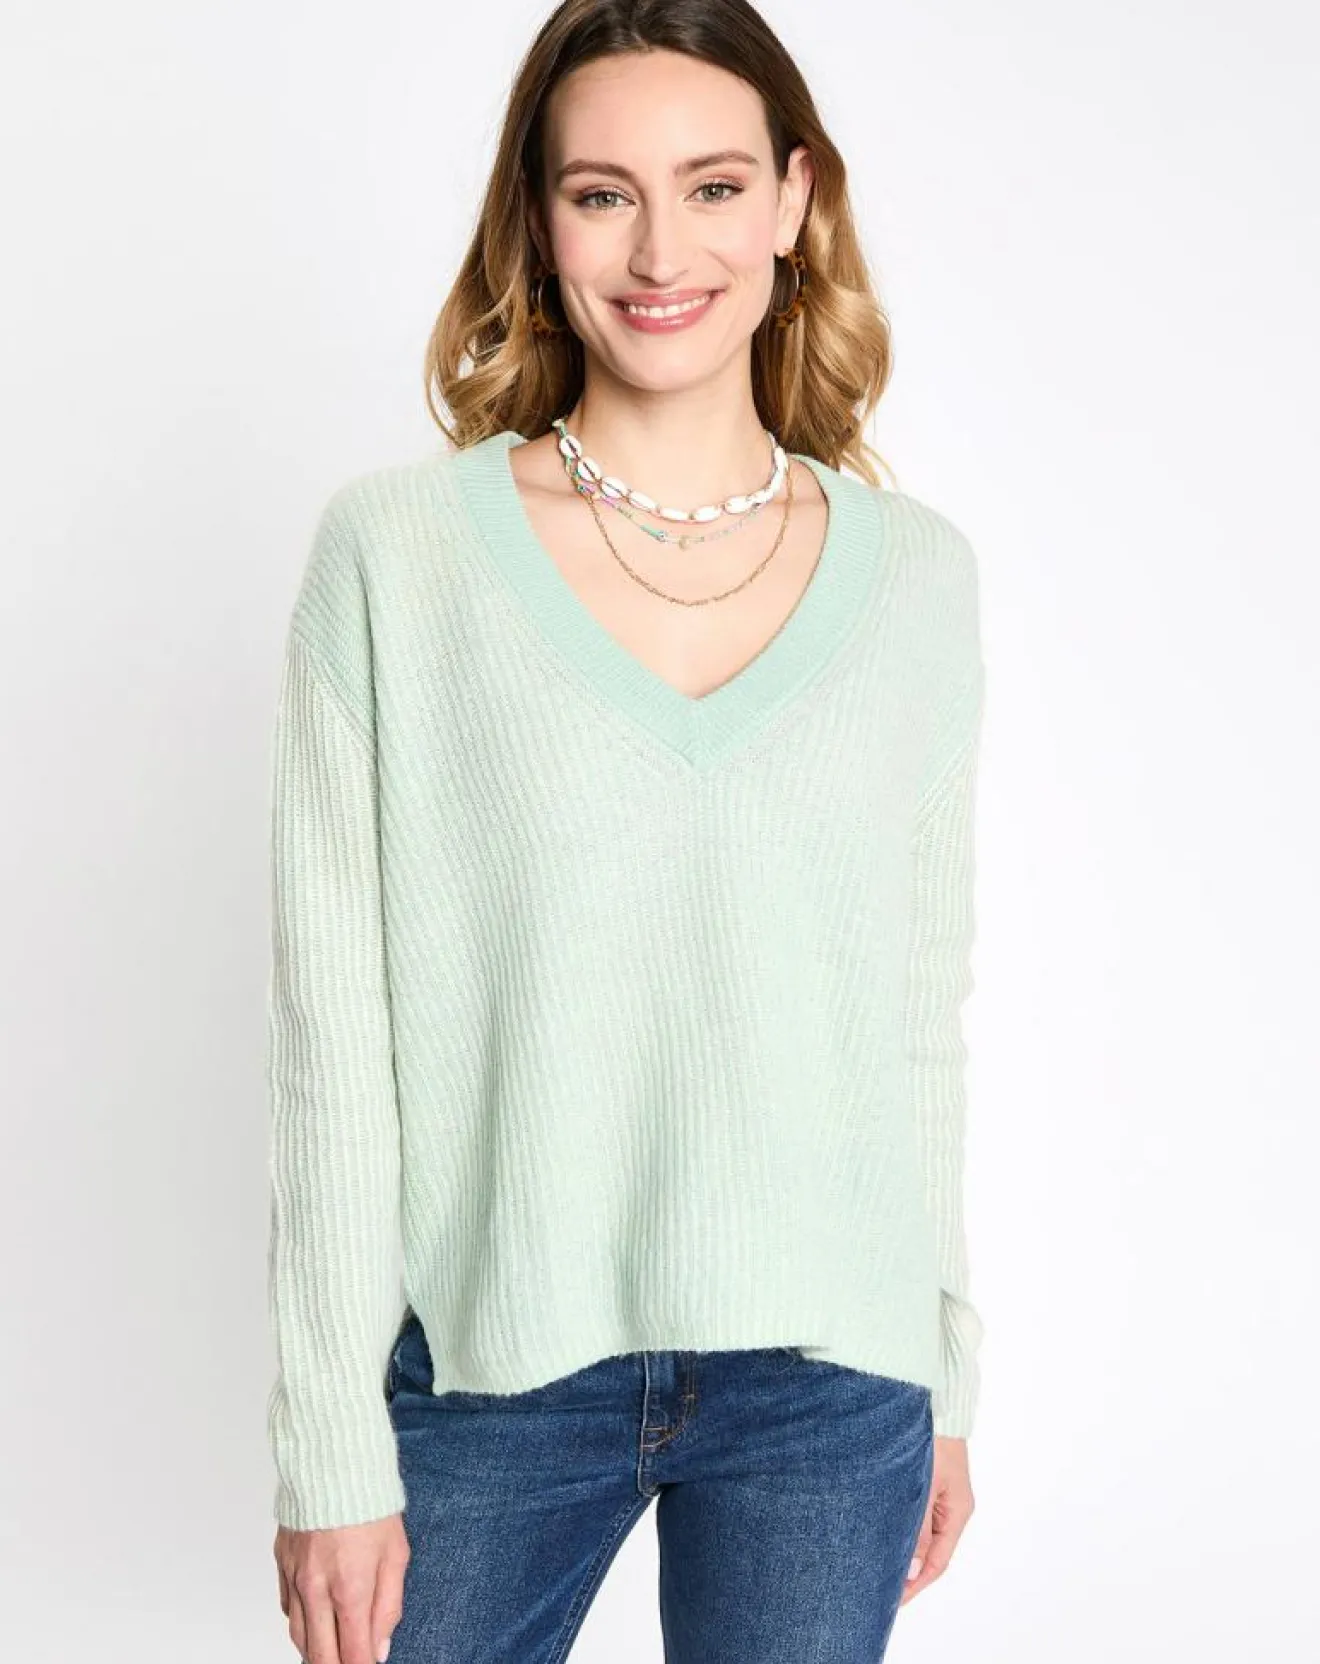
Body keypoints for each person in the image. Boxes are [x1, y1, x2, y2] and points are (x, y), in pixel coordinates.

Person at [265, 2, 987, 1659]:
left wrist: (942, 1368)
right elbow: (334, 1050)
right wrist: (328, 1447)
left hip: (834, 1382)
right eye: (603, 194)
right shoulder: (397, 560)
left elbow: (911, 1021)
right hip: (495, 1374)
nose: (662, 251)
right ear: (537, 220)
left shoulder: (917, 580)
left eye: (715, 186)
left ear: (796, 200)